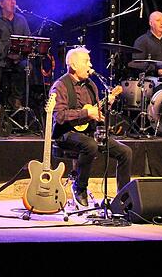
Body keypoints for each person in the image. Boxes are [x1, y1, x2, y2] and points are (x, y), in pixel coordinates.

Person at [50, 47, 132, 207]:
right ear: (73, 65)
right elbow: (59, 116)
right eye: (86, 62)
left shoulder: (91, 85)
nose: (90, 65)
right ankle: (79, 187)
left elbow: (96, 112)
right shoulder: (60, 85)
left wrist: (104, 108)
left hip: (88, 132)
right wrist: (86, 113)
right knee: (90, 145)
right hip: (66, 133)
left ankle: (123, 198)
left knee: (125, 152)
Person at [132, 11, 162, 78]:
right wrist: (156, 71)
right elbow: (137, 64)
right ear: (150, 23)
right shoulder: (141, 41)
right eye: (158, 20)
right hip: (150, 80)